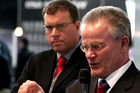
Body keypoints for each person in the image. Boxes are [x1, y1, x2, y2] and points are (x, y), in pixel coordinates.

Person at [11, 0, 89, 93]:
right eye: (49, 28)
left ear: (77, 27)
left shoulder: (91, 62)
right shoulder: (36, 61)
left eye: (60, 26)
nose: (54, 34)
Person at [66, 6, 140, 93]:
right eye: (85, 47)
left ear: (123, 44)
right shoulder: (75, 89)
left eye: (97, 46)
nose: (89, 55)